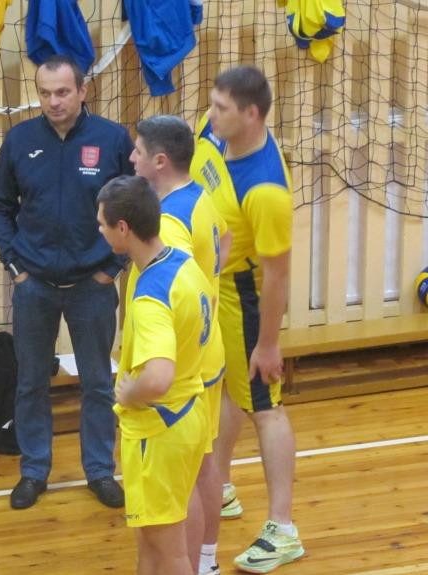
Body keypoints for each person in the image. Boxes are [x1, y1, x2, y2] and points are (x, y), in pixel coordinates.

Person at [0, 53, 132, 510]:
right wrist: (16, 266)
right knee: (30, 382)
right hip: (34, 286)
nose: (53, 101)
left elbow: (134, 207)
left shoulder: (112, 139)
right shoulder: (19, 140)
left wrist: (113, 267)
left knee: (98, 383)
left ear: (83, 91)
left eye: (63, 92)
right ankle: (34, 471)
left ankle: (100, 471)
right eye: (45, 93)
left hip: (94, 285)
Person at [202, 66, 304, 573]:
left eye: (221, 108)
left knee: (265, 406)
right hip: (215, 288)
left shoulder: (266, 191)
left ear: (252, 115)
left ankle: (283, 529)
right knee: (227, 390)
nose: (210, 113)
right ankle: (219, 485)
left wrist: (267, 345)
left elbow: (277, 277)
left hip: (246, 299)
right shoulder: (215, 131)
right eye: (213, 103)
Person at [130, 115, 231, 575]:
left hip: (186, 366)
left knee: (183, 479)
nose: (131, 157)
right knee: (203, 463)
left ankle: (189, 563)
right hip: (209, 351)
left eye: (137, 151)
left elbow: (173, 291)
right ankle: (205, 558)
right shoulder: (199, 196)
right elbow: (225, 238)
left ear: (159, 161)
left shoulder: (168, 222)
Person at [96, 175, 212, 575]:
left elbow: (159, 376)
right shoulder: (184, 263)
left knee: (171, 553)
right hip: (189, 413)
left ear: (122, 228)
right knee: (150, 540)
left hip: (158, 430)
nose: (99, 229)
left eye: (102, 223)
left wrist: (129, 394)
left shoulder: (150, 296)